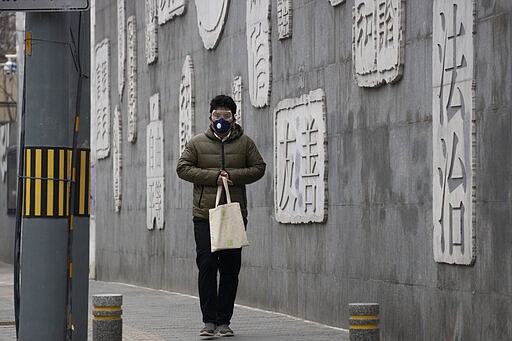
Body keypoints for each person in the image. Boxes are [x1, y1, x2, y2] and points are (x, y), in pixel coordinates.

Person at [176, 94, 266, 337]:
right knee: (206, 264)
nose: (222, 119)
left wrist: (233, 176)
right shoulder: (197, 143)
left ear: (234, 118)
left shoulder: (245, 143)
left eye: (227, 115)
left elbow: (259, 168)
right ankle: (209, 321)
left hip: (233, 215)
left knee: (230, 268)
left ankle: (224, 320)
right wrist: (213, 176)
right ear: (210, 117)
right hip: (204, 214)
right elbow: (182, 168)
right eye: (218, 115)